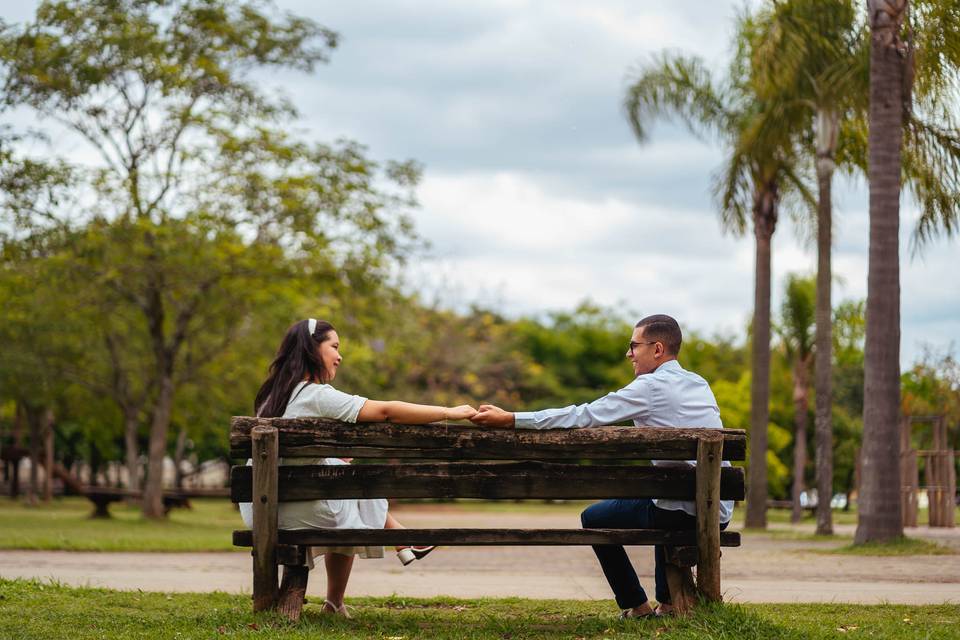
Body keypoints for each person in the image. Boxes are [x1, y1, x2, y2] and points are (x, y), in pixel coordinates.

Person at [470, 314, 732, 619]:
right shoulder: (698, 382)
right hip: (716, 510)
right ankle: (669, 603)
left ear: (657, 349)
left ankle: (637, 606)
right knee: (665, 500)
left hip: (680, 510)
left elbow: (583, 415)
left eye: (634, 346)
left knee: (595, 517)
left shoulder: (648, 387)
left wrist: (512, 418)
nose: (629, 353)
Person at [239, 318, 477, 617]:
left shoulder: (273, 396)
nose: (339, 355)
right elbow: (386, 411)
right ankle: (341, 597)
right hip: (290, 510)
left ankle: (404, 541)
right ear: (312, 349)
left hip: (259, 509)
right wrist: (448, 412)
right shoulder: (316, 394)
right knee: (354, 491)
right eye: (334, 347)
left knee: (347, 484)